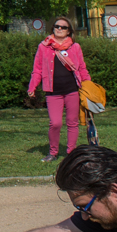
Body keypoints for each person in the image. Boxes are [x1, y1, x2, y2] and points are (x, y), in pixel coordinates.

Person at [28, 16, 90, 163]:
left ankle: (71, 154)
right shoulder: (44, 47)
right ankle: (53, 153)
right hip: (52, 91)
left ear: (69, 31)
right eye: (57, 26)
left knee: (72, 122)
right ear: (53, 28)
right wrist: (32, 86)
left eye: (63, 27)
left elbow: (82, 68)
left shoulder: (75, 47)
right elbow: (37, 69)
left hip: (72, 90)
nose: (59, 29)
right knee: (55, 123)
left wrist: (88, 86)